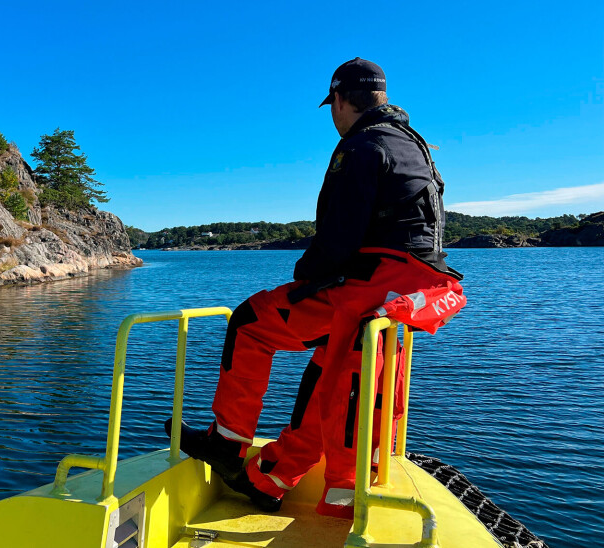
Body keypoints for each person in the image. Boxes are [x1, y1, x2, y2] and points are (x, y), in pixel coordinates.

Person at [166, 58, 466, 519]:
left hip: (372, 286)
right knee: (330, 377)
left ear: (341, 100)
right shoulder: (415, 144)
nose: (334, 116)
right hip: (410, 290)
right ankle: (271, 479)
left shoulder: (361, 145)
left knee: (250, 320)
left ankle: (227, 441)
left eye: (333, 106)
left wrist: (306, 277)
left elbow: (338, 237)